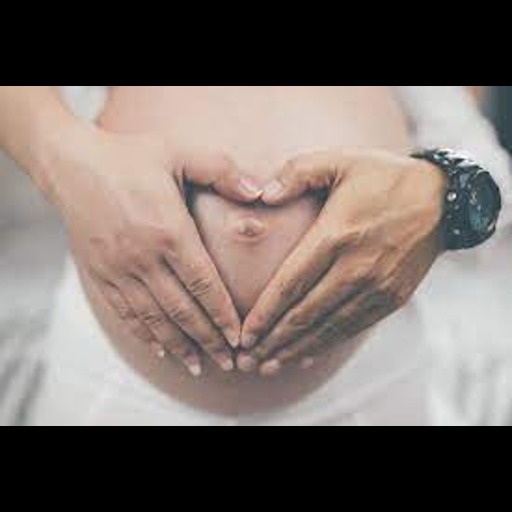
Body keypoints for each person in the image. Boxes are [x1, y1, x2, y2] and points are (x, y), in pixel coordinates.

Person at [0, 86, 508, 425]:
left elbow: (475, 152)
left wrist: (442, 191)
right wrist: (56, 158)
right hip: (115, 380)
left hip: (365, 377)